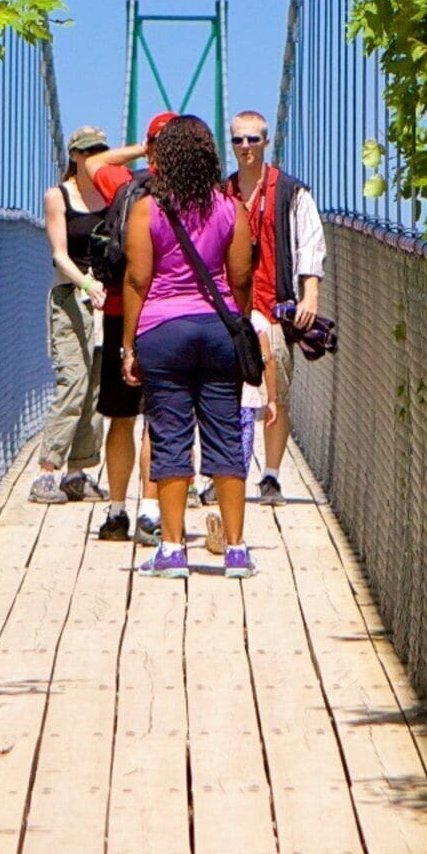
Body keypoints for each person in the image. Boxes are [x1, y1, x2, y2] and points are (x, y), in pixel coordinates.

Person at [119, 113, 259, 578]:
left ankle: (173, 550)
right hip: (217, 333)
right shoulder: (230, 208)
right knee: (225, 435)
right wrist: (235, 325)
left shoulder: (147, 209)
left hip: (162, 332)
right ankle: (237, 551)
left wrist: (129, 346)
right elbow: (240, 278)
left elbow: (138, 279)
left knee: (171, 438)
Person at [30, 126, 147, 509]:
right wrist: (86, 284)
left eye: (99, 148)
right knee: (74, 380)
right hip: (71, 296)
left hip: (107, 300)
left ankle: (78, 472)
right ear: (74, 155)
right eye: (86, 151)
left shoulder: (116, 194)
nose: (92, 156)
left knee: (96, 384)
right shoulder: (58, 196)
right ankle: (47, 470)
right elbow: (59, 255)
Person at [223, 110, 329, 502]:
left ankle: (270, 475)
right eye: (238, 140)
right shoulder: (221, 193)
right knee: (224, 393)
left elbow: (310, 244)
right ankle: (223, 473)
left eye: (253, 140)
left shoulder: (291, 192)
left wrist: (311, 295)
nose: (246, 147)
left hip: (275, 307)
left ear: (266, 143)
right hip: (230, 312)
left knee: (276, 393)